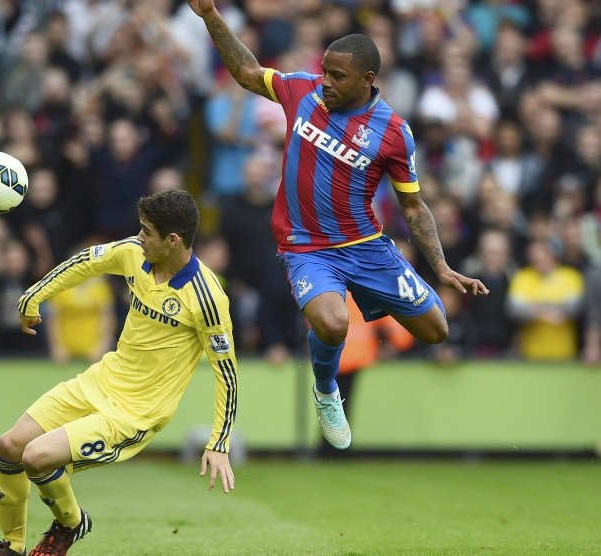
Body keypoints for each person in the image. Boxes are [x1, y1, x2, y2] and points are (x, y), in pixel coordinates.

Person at [188, 0, 488, 450]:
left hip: (367, 247)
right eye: (325, 70)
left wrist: (441, 268)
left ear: (368, 80)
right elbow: (248, 73)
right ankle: (327, 391)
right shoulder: (302, 91)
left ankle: (369, 296)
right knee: (332, 324)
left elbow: (413, 207)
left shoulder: (393, 132)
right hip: (306, 246)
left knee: (436, 330)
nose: (325, 81)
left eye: (337, 76)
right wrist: (211, 15)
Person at [0, 190, 238, 556]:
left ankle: (69, 524)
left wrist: (219, 442)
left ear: (172, 240)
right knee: (10, 446)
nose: (139, 237)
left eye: (147, 231)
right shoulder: (135, 253)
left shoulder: (208, 299)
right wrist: (34, 295)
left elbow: (227, 373)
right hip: (99, 381)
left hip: (135, 413)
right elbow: (85, 263)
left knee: (35, 457)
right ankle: (11, 546)